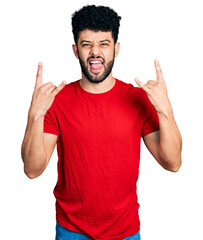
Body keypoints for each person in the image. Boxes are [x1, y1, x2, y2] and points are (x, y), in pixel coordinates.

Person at [21, 5, 182, 240]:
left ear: (116, 48)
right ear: (76, 50)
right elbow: (32, 170)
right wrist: (34, 115)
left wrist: (165, 109)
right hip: (71, 231)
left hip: (125, 232)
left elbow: (173, 163)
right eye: (87, 44)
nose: (95, 52)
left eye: (104, 44)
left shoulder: (137, 98)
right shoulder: (57, 101)